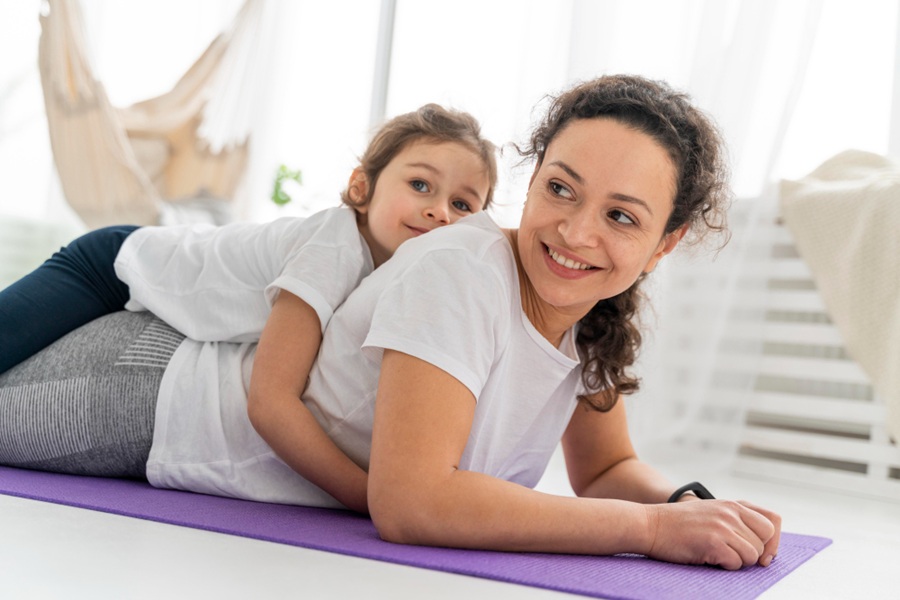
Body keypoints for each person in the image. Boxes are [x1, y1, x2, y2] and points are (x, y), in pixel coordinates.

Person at [0, 75, 781, 570]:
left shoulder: (595, 317)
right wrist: (643, 533)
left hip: (173, 412)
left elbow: (606, 474)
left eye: (620, 215)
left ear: (665, 242)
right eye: (562, 190)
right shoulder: (461, 270)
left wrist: (686, 504)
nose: (576, 234)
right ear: (534, 179)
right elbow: (410, 504)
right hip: (151, 394)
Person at [0, 103, 496, 512]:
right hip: (111, 265)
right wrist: (367, 496)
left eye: (463, 205)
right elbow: (271, 402)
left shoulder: (400, 282)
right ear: (362, 189)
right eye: (421, 186)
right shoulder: (335, 246)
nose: (439, 211)